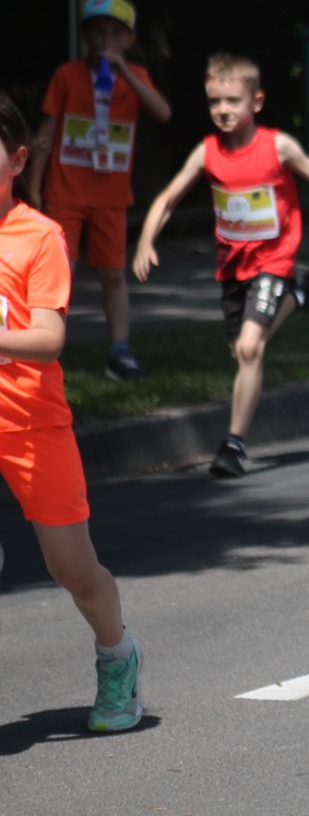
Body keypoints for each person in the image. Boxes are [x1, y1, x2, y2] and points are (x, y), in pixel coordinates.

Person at [133, 53, 309, 478]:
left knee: (250, 347)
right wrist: (145, 241)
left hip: (274, 260)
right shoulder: (207, 152)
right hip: (232, 267)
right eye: (214, 101)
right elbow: (167, 199)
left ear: (256, 102)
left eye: (233, 101)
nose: (223, 110)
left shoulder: (278, 146)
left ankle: (233, 445)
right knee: (240, 351)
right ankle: (301, 293)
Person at [0, 89, 144, 731]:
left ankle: (118, 655)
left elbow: (48, 338)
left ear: (17, 161)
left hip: (30, 422)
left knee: (74, 569)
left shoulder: (39, 236)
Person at [27, 0, 172, 382]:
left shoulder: (134, 76)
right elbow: (46, 132)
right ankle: (42, 349)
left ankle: (119, 353)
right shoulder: (67, 75)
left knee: (112, 273)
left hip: (110, 196)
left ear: (130, 40)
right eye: (97, 31)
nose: (105, 40)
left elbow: (162, 112)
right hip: (66, 192)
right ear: (85, 35)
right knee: (60, 272)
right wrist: (35, 185)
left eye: (115, 32)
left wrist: (126, 74)